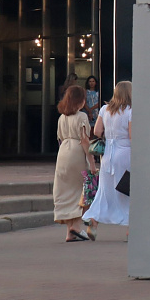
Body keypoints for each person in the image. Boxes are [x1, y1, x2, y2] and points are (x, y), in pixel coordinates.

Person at [83, 80, 133, 238]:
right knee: (127, 191)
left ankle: (94, 221)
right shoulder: (130, 111)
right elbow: (132, 136)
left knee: (104, 191)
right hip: (125, 153)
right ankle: (130, 230)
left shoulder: (105, 109)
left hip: (107, 154)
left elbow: (97, 131)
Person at [52, 84, 96, 242]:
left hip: (63, 153)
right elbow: (84, 140)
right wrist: (92, 162)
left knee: (65, 191)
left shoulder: (62, 118)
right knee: (80, 191)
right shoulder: (81, 116)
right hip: (76, 154)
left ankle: (69, 231)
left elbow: (59, 138)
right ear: (80, 100)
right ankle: (76, 227)